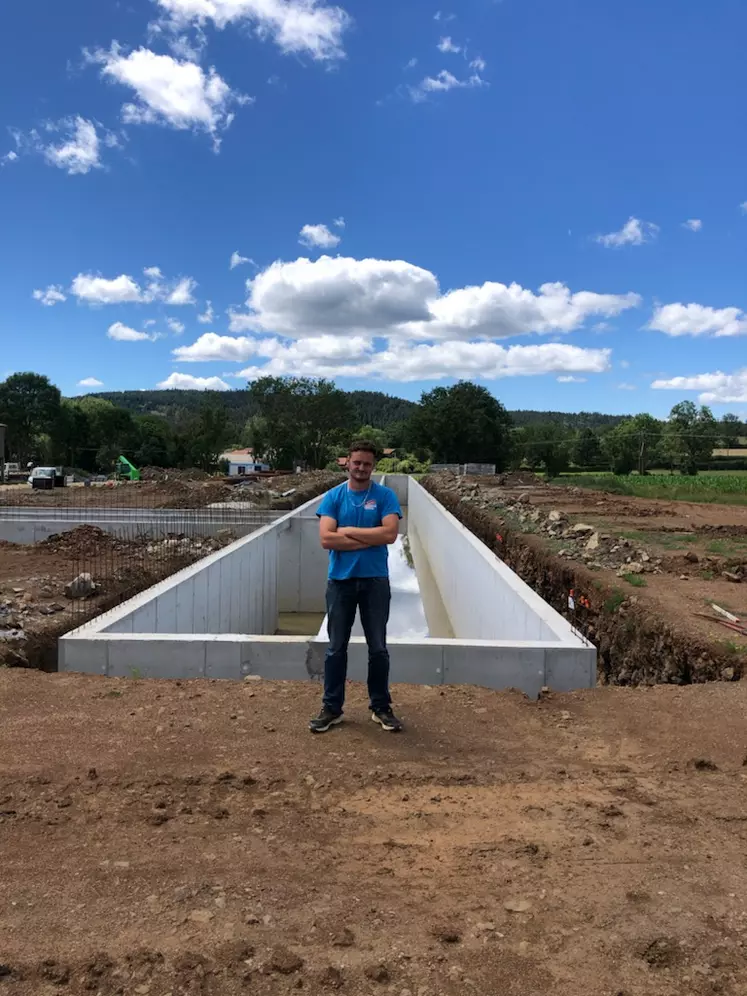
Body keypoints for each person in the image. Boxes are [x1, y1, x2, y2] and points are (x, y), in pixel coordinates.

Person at [309, 439, 404, 734]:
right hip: (341, 582)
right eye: (357, 462)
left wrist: (347, 531)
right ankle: (332, 708)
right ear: (346, 463)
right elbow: (326, 539)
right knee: (336, 648)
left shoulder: (385, 496)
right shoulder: (334, 497)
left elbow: (389, 534)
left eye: (367, 464)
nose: (361, 468)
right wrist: (368, 536)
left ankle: (380, 707)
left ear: (373, 466)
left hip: (375, 581)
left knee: (378, 648)